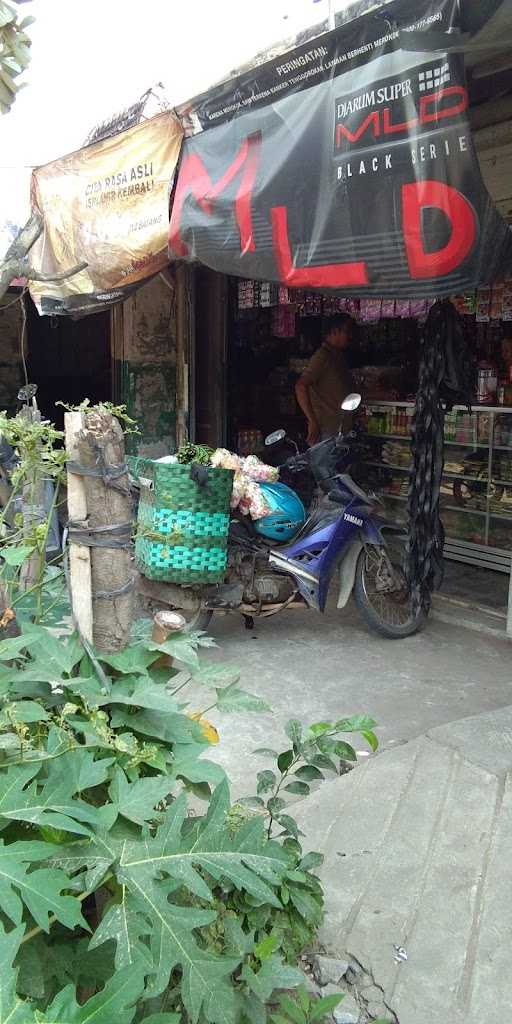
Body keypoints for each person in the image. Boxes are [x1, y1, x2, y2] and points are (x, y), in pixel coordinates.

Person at [295, 313, 356, 446]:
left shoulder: (338, 357)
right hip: (327, 431)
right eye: (347, 331)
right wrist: (312, 421)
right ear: (335, 331)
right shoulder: (322, 357)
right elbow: (301, 386)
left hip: (340, 429)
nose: (350, 336)